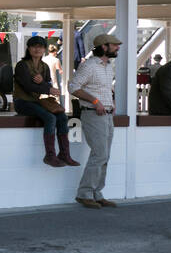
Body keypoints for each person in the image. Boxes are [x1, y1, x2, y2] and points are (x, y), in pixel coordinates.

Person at [70, 32, 121, 208]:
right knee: (100, 154)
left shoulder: (107, 66)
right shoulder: (89, 65)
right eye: (114, 45)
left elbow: (104, 88)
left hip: (106, 114)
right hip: (93, 113)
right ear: (104, 47)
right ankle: (84, 193)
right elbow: (73, 87)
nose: (117, 48)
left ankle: (97, 193)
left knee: (104, 156)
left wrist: (111, 101)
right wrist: (95, 101)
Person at [14, 35, 79, 167]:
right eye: (34, 46)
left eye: (41, 47)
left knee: (62, 116)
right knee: (50, 117)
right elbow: (28, 86)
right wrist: (47, 89)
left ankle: (64, 154)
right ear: (28, 48)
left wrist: (43, 83)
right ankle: (50, 155)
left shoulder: (44, 66)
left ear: (44, 49)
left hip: (36, 101)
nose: (37, 49)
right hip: (22, 102)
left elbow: (47, 83)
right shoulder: (22, 65)